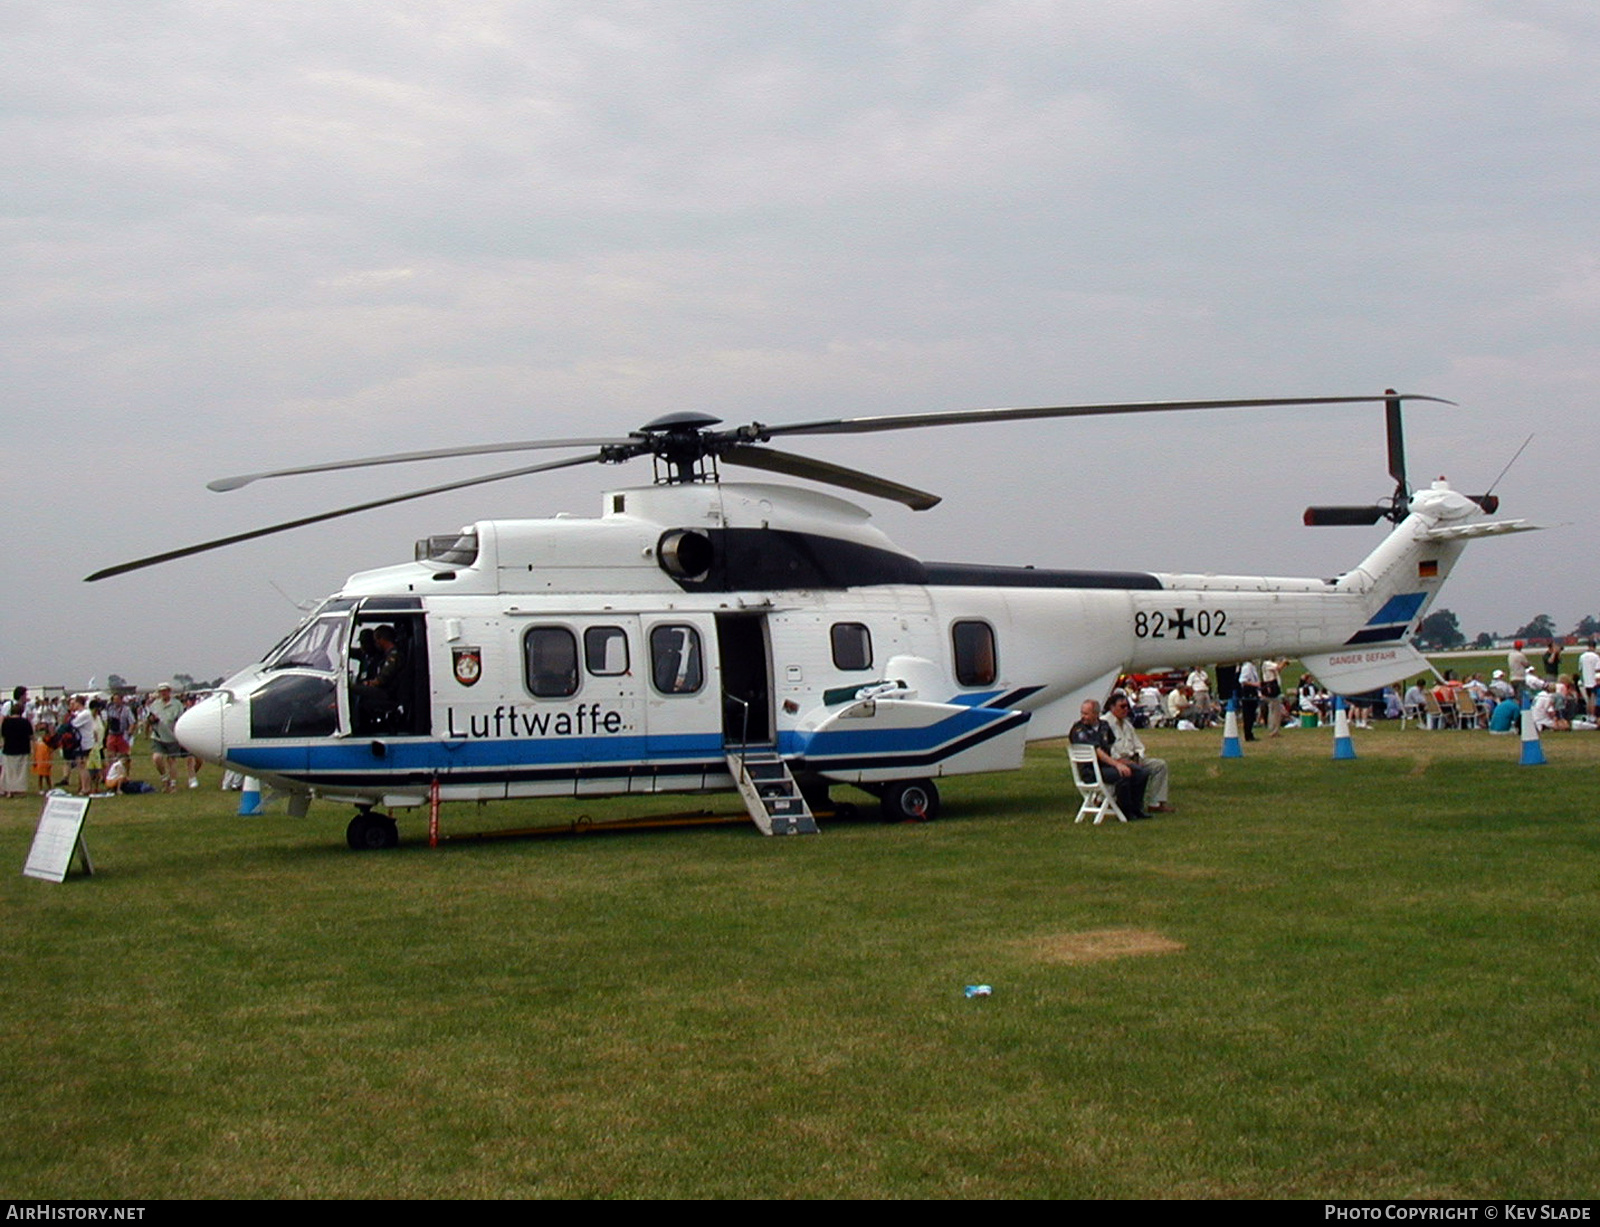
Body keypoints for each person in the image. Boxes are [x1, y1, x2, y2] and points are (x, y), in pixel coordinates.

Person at [1068, 698, 1150, 819]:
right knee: (1123, 774)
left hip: (1107, 765)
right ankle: (1125, 811)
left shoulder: (1104, 726)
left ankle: (1137, 808)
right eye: (1082, 713)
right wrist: (1117, 765)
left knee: (1141, 772)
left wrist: (1121, 760)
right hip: (1091, 771)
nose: (1083, 717)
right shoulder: (1078, 729)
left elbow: (1111, 746)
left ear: (1096, 714)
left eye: (1086, 713)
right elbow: (1098, 752)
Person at [1102, 693, 1174, 813]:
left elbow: (1139, 745)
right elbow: (1107, 749)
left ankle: (1155, 803)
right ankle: (1131, 805)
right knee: (1136, 771)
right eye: (1122, 706)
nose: (1126, 709)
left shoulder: (1127, 724)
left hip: (1133, 759)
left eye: (1127, 706)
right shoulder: (1105, 723)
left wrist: (1139, 757)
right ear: (1112, 707)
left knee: (1159, 765)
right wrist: (1121, 761)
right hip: (1116, 762)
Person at [146, 682, 186, 793]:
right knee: (157, 758)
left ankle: (173, 784)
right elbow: (149, 718)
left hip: (172, 736)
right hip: (158, 735)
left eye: (165, 691)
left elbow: (181, 720)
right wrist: (152, 720)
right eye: (161, 691)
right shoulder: (155, 704)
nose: (163, 693)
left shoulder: (177, 704)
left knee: (172, 760)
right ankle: (164, 778)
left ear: (169, 691)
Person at [1, 700, 31, 797]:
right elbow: (30, 735)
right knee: (21, 772)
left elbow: (3, 735)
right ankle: (20, 790)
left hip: (9, 749)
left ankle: (9, 790)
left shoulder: (6, 722)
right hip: (23, 749)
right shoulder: (25, 722)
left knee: (9, 772)